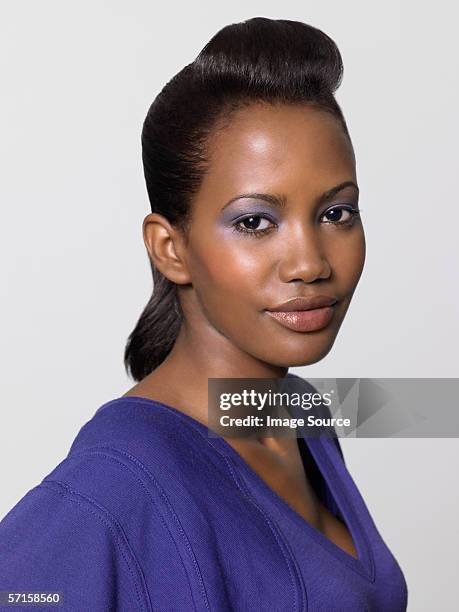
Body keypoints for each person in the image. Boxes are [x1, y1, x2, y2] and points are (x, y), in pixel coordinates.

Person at [0, 17, 408, 611]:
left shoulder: (301, 413)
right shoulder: (114, 489)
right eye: (254, 222)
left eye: (337, 213)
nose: (310, 263)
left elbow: (415, 405)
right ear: (171, 248)